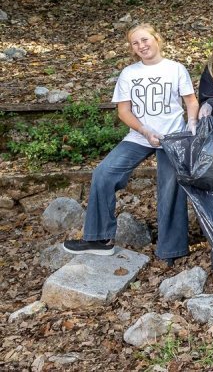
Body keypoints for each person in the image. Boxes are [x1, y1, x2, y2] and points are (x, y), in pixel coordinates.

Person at [63, 24, 197, 264]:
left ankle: (171, 250)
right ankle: (98, 238)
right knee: (104, 173)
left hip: (172, 137)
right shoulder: (129, 73)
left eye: (145, 40)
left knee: (170, 190)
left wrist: (192, 125)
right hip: (139, 137)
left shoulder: (176, 69)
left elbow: (191, 102)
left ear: (157, 39)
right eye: (135, 43)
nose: (141, 46)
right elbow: (123, 111)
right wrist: (144, 130)